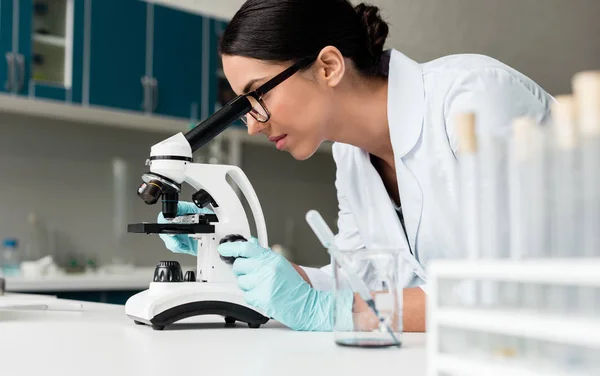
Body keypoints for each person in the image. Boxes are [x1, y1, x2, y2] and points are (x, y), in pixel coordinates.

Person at [159, 0, 553, 332]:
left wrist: (328, 312)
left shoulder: (474, 98)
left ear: (328, 66)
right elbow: (358, 283)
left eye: (257, 95)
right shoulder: (350, 156)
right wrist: (232, 249)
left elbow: (505, 290)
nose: (254, 125)